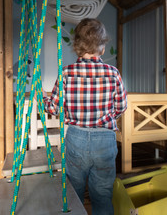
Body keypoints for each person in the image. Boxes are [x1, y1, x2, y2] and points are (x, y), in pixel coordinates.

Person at [43, 18, 127, 215]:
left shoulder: (66, 73)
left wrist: (43, 98)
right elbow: (121, 107)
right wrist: (105, 116)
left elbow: (53, 109)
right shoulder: (113, 73)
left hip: (76, 137)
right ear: (103, 48)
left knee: (74, 191)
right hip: (105, 138)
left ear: (76, 48)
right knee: (103, 194)